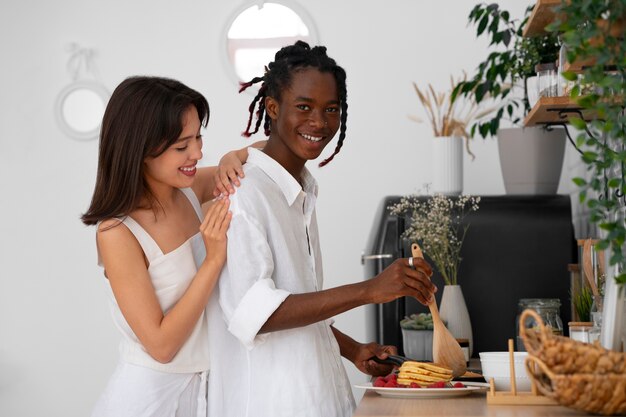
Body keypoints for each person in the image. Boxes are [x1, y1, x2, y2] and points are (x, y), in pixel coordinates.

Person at [207, 41, 437, 417]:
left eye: (332, 109)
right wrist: (368, 290)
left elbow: (294, 302)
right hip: (273, 404)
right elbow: (255, 313)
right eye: (304, 107)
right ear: (272, 107)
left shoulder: (301, 191)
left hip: (318, 397)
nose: (319, 122)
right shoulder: (245, 195)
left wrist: (353, 350)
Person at [81, 75, 261, 417]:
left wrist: (231, 156)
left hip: (206, 389)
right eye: (182, 146)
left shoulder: (189, 193)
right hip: (150, 397)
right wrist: (213, 260)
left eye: (198, 138)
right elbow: (161, 346)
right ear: (142, 150)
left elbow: (268, 151)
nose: (197, 153)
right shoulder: (117, 232)